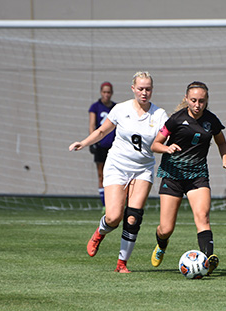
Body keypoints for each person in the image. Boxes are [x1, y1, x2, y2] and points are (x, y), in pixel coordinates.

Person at [69, 71, 168, 273]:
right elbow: (102, 131)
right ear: (133, 88)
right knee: (114, 217)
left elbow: (165, 140)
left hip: (143, 169)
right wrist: (84, 142)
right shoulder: (120, 109)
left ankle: (121, 264)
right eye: (140, 88)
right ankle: (99, 233)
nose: (144, 92)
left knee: (133, 217)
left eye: (148, 89)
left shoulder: (159, 115)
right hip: (117, 166)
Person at [150, 81, 226, 276]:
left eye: (202, 101)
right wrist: (167, 148)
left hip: (197, 176)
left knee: (203, 217)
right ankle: (161, 245)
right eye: (194, 100)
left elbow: (221, 142)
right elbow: (155, 144)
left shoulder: (211, 120)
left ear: (206, 101)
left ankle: (208, 260)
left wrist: (225, 160)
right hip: (172, 175)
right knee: (165, 229)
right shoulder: (175, 120)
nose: (198, 105)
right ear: (186, 99)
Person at [88, 81, 116, 212]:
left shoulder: (116, 107)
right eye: (104, 92)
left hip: (114, 146)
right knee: (101, 174)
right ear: (101, 92)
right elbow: (92, 125)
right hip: (100, 145)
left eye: (108, 92)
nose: (106, 95)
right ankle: (105, 203)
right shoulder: (95, 107)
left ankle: (116, 202)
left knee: (115, 174)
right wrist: (92, 142)